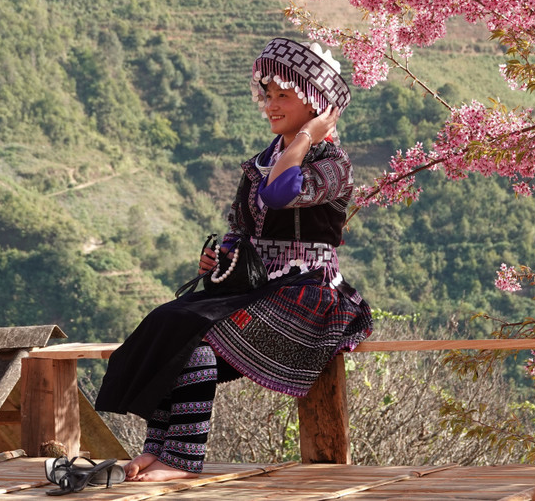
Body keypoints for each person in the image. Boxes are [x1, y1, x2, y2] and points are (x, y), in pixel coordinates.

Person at [95, 37, 373, 482]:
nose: (270, 105)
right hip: (257, 287)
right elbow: (242, 229)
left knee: (200, 339)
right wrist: (219, 259)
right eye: (268, 94)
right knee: (168, 321)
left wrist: (305, 137)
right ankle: (158, 447)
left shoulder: (332, 163)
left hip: (309, 295)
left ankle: (182, 461)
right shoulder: (264, 160)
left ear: (317, 104)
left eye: (284, 95)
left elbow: (280, 193)